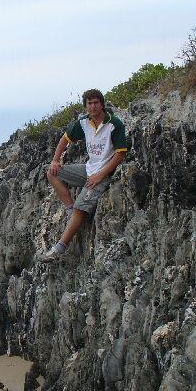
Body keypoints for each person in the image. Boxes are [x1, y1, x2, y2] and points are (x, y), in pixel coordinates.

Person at [40, 89, 128, 262]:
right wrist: (55, 160)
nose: (93, 106)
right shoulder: (84, 123)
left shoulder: (114, 124)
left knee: (81, 207)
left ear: (102, 104)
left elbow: (120, 154)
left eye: (96, 103)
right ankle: (70, 210)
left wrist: (100, 175)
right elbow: (65, 139)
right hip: (89, 169)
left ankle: (59, 249)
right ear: (86, 106)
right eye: (89, 103)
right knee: (52, 172)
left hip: (104, 174)